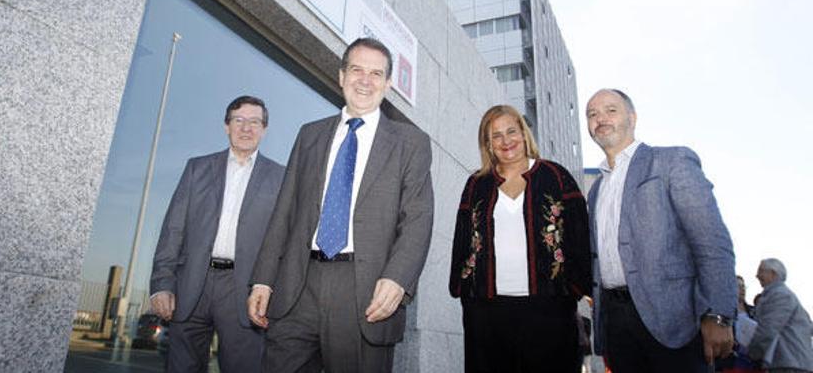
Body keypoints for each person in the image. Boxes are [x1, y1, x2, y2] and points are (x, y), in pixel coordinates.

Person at [247, 38, 434, 372]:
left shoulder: (411, 143)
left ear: (388, 84)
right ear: (341, 76)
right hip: (296, 287)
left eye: (376, 73)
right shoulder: (309, 135)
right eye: (357, 70)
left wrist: (398, 278)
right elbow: (285, 212)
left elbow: (418, 218)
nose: (365, 80)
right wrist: (263, 278)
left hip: (365, 294)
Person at [585, 88, 736, 373]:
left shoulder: (671, 162)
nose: (600, 118)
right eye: (592, 114)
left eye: (610, 110)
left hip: (674, 323)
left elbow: (710, 240)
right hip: (617, 326)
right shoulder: (596, 191)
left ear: (632, 117)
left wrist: (718, 314)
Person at [448, 105, 592, 372]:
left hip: (550, 309)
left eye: (511, 131)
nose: (506, 141)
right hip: (486, 311)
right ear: (488, 144)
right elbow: (462, 238)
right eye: (496, 135)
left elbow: (579, 235)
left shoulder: (556, 176)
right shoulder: (476, 184)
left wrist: (574, 287)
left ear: (524, 134)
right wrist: (462, 287)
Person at [149, 96, 285, 372]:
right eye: (239, 120)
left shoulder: (281, 177)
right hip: (190, 287)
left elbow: (283, 241)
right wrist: (162, 283)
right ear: (226, 126)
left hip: (245, 291)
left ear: (264, 129)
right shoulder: (196, 168)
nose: (246, 128)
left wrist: (269, 286)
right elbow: (173, 229)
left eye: (255, 122)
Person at [747, 258, 813, 373]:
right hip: (793, 362)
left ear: (773, 273)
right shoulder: (786, 295)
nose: (757, 275)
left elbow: (768, 329)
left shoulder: (780, 295)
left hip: (789, 363)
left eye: (761, 271)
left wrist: (752, 353)